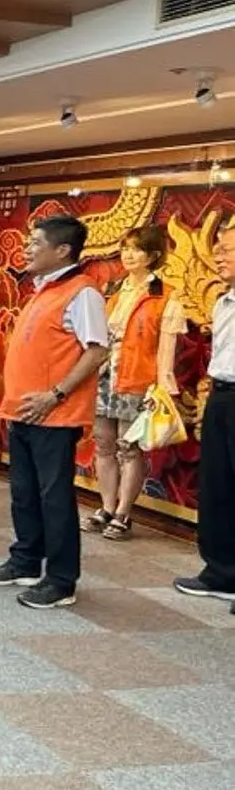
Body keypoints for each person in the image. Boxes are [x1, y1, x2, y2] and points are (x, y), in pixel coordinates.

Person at [0, 214, 109, 610]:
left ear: (63, 250)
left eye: (36, 243)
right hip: (23, 411)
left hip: (55, 414)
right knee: (24, 493)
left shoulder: (82, 292)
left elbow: (97, 351)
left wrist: (55, 394)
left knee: (54, 498)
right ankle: (25, 561)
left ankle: (61, 580)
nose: (27, 249)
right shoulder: (41, 289)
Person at [82, 226, 185, 541]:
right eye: (125, 248)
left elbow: (165, 351)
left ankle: (123, 513)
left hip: (138, 380)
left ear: (153, 256)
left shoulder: (165, 295)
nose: (128, 255)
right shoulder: (113, 289)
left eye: (136, 249)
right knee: (103, 444)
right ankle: (106, 506)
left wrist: (162, 387)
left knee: (128, 448)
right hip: (105, 376)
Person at [175, 219, 235, 605]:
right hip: (221, 396)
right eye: (218, 250)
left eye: (227, 250)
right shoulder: (224, 301)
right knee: (217, 487)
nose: (218, 257)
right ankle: (221, 572)